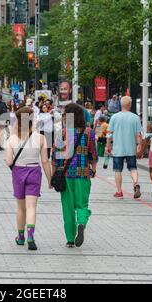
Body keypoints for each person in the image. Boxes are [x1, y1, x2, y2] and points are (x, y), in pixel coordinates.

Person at [5, 106, 52, 251]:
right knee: (32, 206)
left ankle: (20, 237)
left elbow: (8, 161)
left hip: (19, 171)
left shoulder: (12, 139)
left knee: (20, 207)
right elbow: (45, 161)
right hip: (34, 171)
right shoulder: (41, 137)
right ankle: (31, 236)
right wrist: (50, 179)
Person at [52, 103, 98, 248]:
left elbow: (56, 157)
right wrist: (94, 170)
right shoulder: (89, 132)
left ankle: (70, 239)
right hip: (83, 175)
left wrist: (53, 176)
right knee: (82, 205)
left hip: (66, 175)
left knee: (68, 207)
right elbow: (93, 155)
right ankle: (81, 223)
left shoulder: (63, 133)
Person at [106, 96, 143, 199]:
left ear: (120, 104)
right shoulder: (135, 117)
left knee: (118, 170)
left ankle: (119, 192)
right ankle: (136, 183)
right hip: (131, 148)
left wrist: (108, 146)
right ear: (130, 105)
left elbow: (109, 134)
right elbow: (139, 134)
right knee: (133, 168)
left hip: (118, 149)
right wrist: (139, 146)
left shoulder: (114, 117)